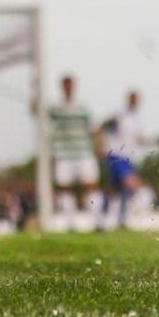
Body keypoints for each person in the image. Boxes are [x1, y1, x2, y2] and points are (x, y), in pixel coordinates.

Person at [48, 74, 102, 231]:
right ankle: (70, 224)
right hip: (63, 154)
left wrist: (98, 146)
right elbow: (39, 115)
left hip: (84, 153)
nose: (68, 88)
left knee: (91, 186)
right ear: (62, 87)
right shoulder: (55, 108)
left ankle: (97, 222)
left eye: (70, 85)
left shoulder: (83, 107)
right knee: (65, 188)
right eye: (66, 85)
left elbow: (93, 129)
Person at [101, 89, 151, 229]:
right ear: (128, 99)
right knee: (132, 184)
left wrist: (154, 140)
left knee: (116, 189)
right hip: (116, 154)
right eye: (132, 98)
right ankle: (120, 218)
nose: (134, 101)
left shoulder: (137, 119)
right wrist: (101, 144)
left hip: (128, 157)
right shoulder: (119, 115)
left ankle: (111, 218)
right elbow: (102, 126)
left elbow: (138, 139)